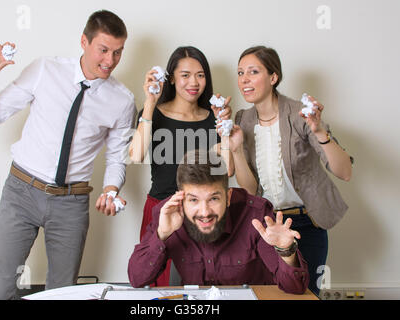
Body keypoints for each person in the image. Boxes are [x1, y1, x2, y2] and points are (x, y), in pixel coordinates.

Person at [0, 10, 136, 299]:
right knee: (0, 289)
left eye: (118, 52)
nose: (110, 61)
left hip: (71, 203)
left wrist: (111, 189)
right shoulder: (45, 69)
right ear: (84, 42)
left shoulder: (122, 100)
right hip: (21, 191)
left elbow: (115, 157)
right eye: (103, 50)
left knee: (62, 293)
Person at [224, 45, 353, 296]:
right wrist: (236, 149)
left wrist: (318, 131)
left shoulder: (300, 115)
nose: (244, 80)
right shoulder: (242, 120)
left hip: (305, 224)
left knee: (306, 294)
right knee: (267, 293)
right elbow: (250, 189)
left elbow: (344, 171)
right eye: (240, 73)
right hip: (266, 225)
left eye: (253, 72)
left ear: (273, 78)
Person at [128, 150, 309, 294]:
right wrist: (162, 234)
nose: (205, 212)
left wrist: (286, 251)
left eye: (214, 199)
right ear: (181, 198)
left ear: (228, 197)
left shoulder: (256, 214)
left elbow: (295, 288)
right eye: (193, 200)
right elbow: (137, 279)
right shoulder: (166, 213)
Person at [128, 46, 231, 286]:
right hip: (161, 208)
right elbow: (136, 155)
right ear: (171, 78)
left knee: (202, 281)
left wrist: (224, 129)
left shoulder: (212, 118)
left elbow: (225, 169)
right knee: (156, 280)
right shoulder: (154, 113)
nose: (193, 82)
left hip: (202, 212)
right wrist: (150, 103)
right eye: (185, 75)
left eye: (200, 75)